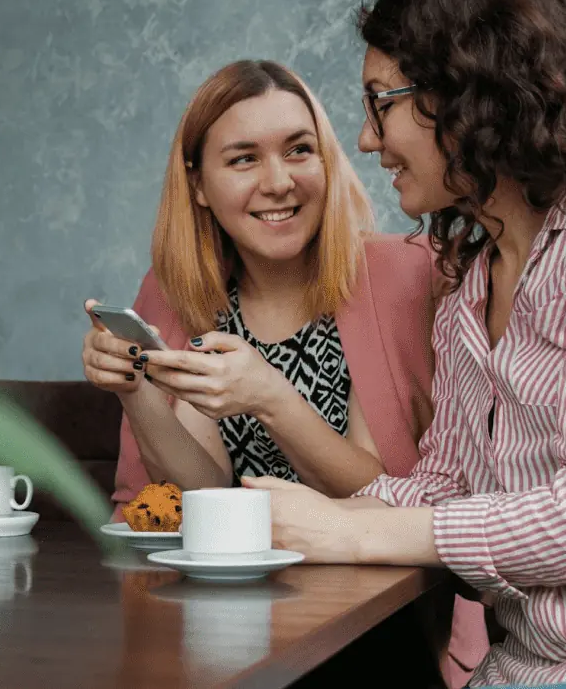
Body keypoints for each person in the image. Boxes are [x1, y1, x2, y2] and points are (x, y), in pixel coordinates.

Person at [242, 0, 566, 689]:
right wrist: (299, 513)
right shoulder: (469, 290)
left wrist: (351, 535)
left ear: (468, 93)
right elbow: (444, 489)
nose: (365, 140)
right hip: (517, 672)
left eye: (380, 103)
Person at [81, 58, 489, 688]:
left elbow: (386, 496)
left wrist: (271, 398)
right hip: (220, 618)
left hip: (382, 625)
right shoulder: (173, 293)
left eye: (299, 150)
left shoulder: (404, 275)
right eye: (243, 159)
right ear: (198, 185)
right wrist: (136, 391)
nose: (279, 182)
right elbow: (202, 491)